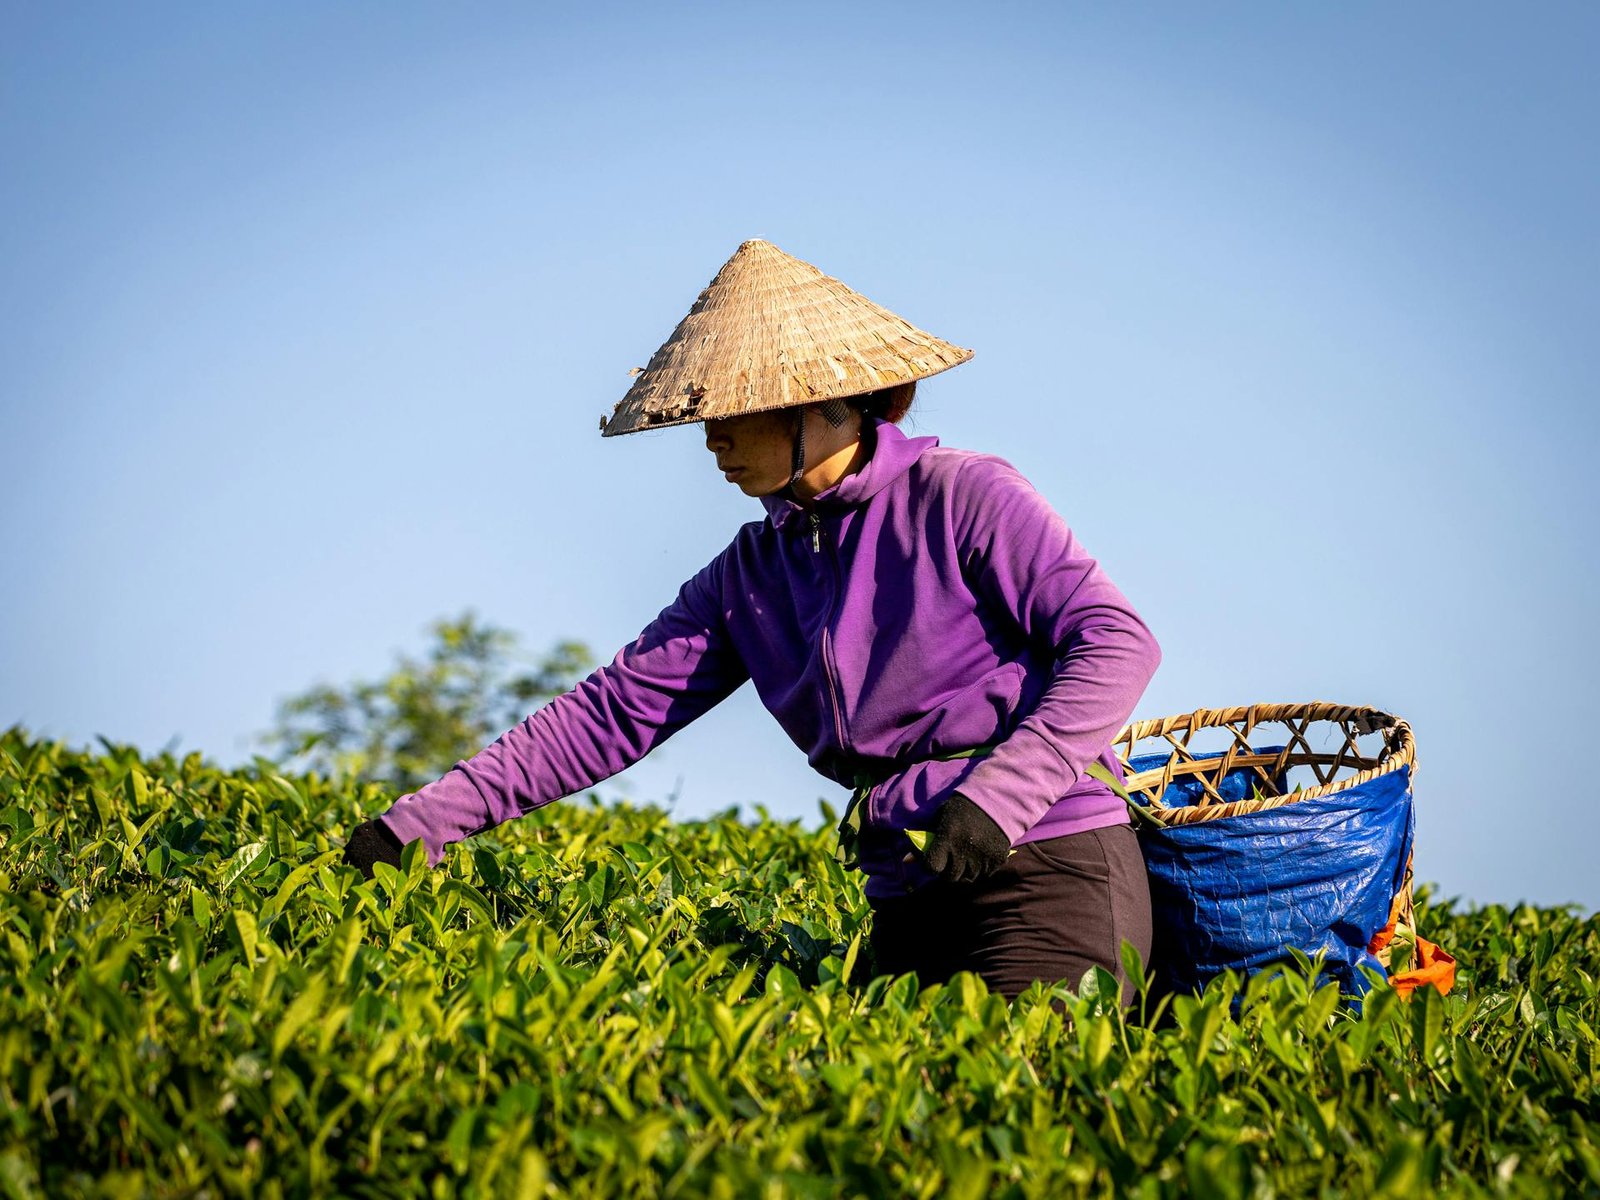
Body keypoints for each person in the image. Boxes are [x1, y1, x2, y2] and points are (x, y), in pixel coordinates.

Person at [343, 239, 1161, 1000]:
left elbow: (1119, 642)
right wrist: (414, 827)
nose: (713, 443)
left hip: (1048, 861)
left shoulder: (959, 494)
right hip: (907, 890)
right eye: (706, 419)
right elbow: (608, 714)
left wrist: (997, 799)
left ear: (819, 404)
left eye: (735, 414)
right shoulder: (750, 573)